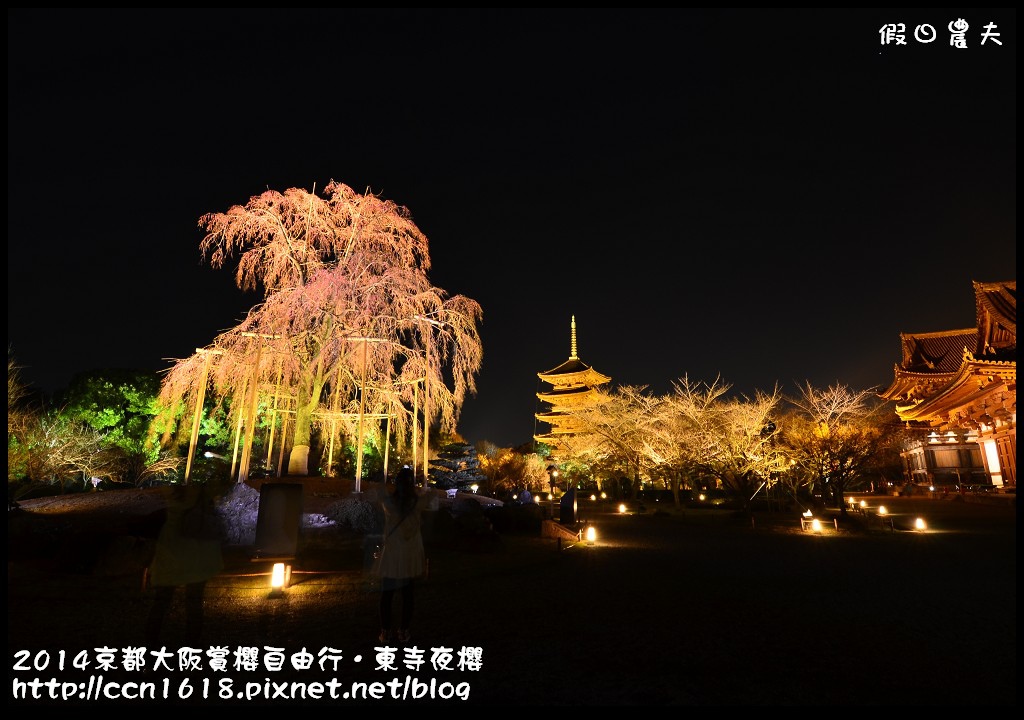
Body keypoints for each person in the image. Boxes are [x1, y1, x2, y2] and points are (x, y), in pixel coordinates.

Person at [145, 481, 225, 647]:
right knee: (194, 601)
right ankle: (192, 646)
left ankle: (151, 646)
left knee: (161, 600)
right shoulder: (201, 487)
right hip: (197, 546)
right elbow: (222, 488)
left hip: (171, 544)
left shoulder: (171, 488)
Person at [373, 465, 439, 644]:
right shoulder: (418, 503)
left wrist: (381, 481)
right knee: (408, 596)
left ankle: (385, 631)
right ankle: (403, 630)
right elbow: (433, 499)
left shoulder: (389, 504)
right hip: (410, 555)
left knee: (387, 596)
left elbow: (379, 494)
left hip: (392, 555)